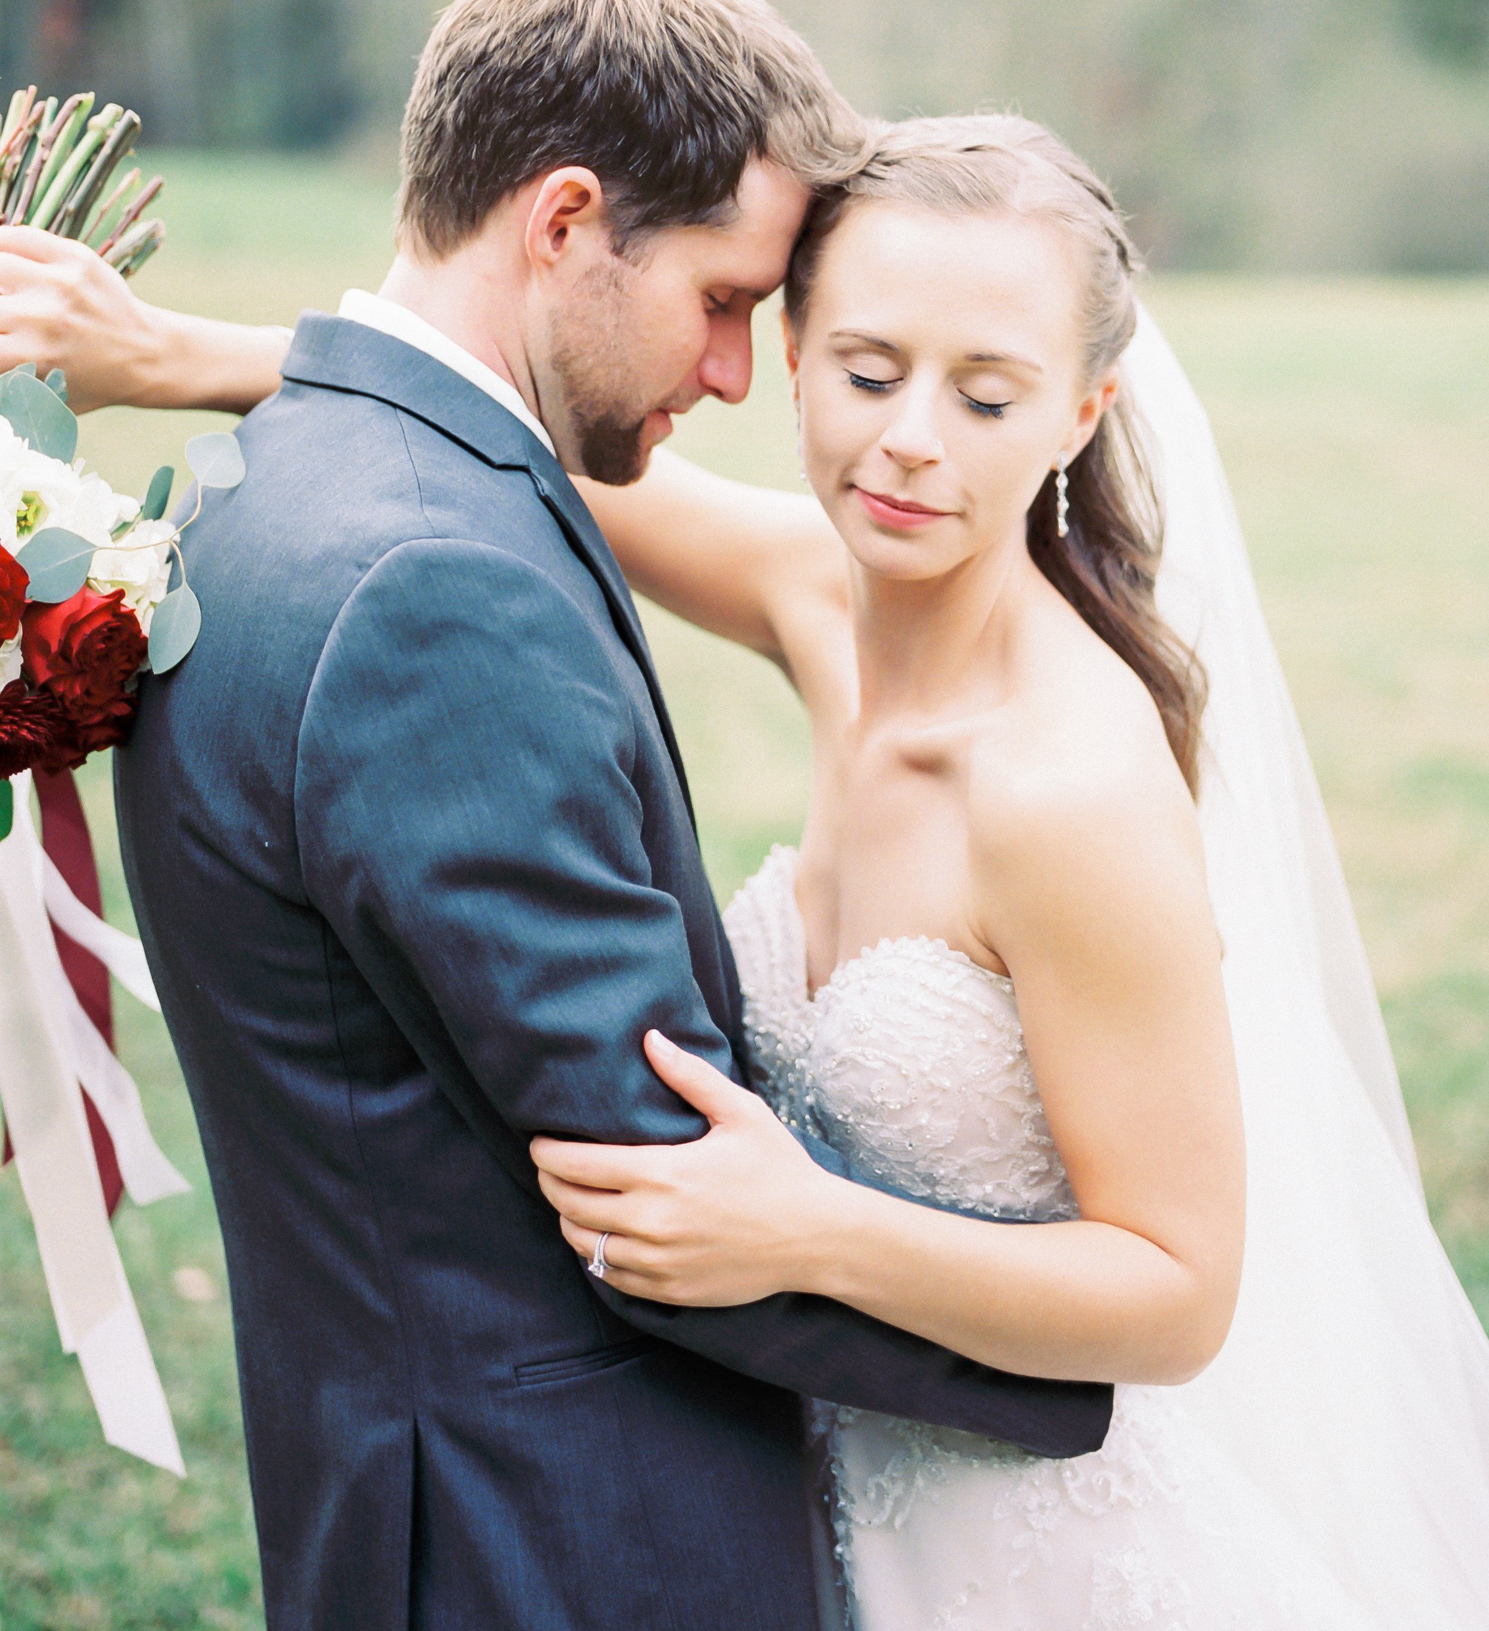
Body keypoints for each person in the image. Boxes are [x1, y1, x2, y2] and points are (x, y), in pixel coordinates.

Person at [6, 85, 1489, 1630]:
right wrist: (168, 358)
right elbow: (494, 429)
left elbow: (1177, 1295)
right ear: (792, 360)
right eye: (866, 370)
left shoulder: (1065, 791)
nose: (910, 445)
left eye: (986, 398)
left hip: (1037, 1543)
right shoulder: (816, 589)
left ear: (1081, 413)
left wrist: (813, 1228)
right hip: (813, 1486)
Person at [0, 0, 1110, 1631]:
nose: (742, 373)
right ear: (568, 220)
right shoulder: (430, 596)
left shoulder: (287, 477)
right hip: (567, 1548)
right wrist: (1093, 1371)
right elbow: (657, 1181)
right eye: (727, 301)